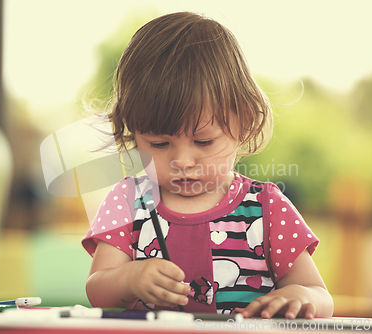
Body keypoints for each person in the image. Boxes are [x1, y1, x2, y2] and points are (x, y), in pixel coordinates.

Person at [82, 11, 333, 319]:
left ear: (244, 123)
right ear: (132, 133)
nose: (183, 162)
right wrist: (129, 279)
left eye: (204, 142)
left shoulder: (266, 207)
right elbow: (97, 290)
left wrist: (298, 295)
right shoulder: (127, 202)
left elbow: (320, 295)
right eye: (159, 144)